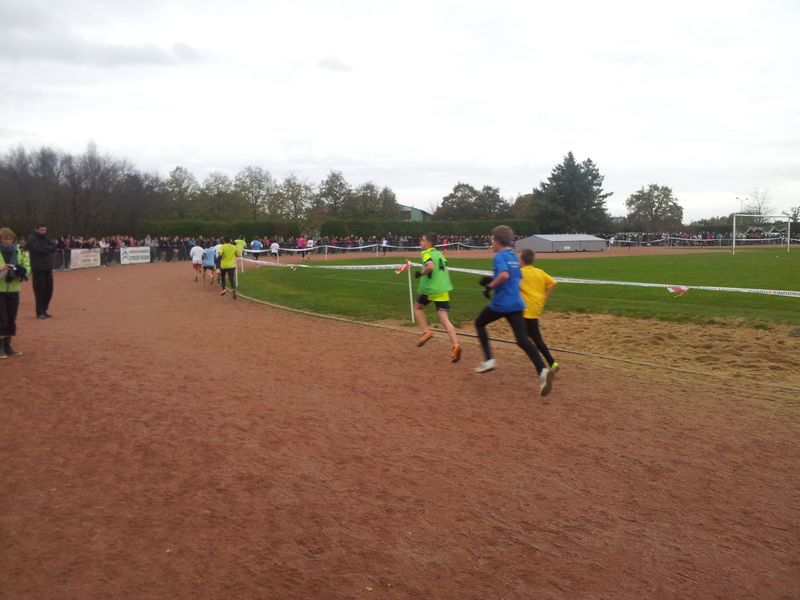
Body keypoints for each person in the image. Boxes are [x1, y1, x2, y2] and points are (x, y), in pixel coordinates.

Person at [474, 225, 554, 397]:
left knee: (479, 323)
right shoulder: (513, 256)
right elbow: (513, 277)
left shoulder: (500, 256)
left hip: (502, 303)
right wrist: (492, 279)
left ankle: (489, 360)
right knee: (522, 340)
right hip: (517, 303)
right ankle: (542, 370)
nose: (491, 242)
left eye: (492, 239)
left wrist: (489, 286)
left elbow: (504, 275)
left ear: (496, 240)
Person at [414, 233, 461, 362]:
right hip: (443, 289)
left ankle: (426, 331)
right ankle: (455, 345)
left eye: (423, 240)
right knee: (444, 320)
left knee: (417, 307)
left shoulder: (426, 253)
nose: (421, 242)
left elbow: (430, 267)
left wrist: (420, 273)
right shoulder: (440, 254)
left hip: (431, 289)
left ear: (429, 243)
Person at [519, 248, 560, 375]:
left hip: (525, 311)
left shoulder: (519, 272)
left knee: (523, 341)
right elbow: (553, 283)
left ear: (522, 260)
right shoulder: (539, 272)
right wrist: (543, 299)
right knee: (537, 339)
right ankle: (553, 363)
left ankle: (540, 366)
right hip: (535, 310)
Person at [0, 228, 30, 358]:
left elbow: (27, 266)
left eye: (10, 238)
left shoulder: (19, 251)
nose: (8, 241)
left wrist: (22, 272)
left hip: (14, 288)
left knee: (11, 318)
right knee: (2, 318)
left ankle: (7, 345)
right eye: (4, 238)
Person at [27, 224, 56, 319]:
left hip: (48, 267)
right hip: (38, 268)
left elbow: (53, 247)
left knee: (49, 290)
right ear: (37, 229)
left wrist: (46, 247)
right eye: (42, 230)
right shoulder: (32, 238)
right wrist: (47, 248)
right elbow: (38, 249)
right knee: (39, 290)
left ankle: (44, 309)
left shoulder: (46, 238)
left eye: (45, 230)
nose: (44, 232)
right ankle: (39, 312)